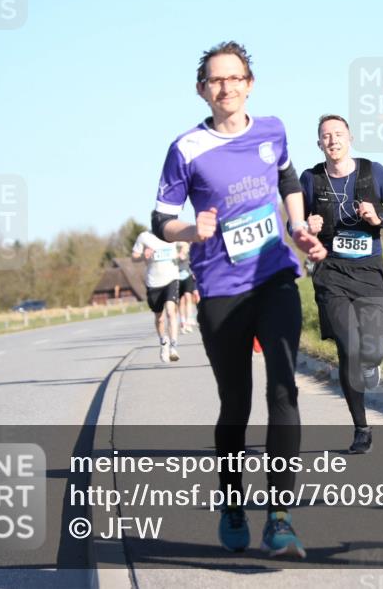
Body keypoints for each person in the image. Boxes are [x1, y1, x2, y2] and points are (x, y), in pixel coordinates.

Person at [150, 41, 327, 559]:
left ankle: (280, 518)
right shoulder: (186, 148)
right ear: (201, 90)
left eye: (234, 77)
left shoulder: (272, 130)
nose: (225, 87)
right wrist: (192, 229)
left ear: (250, 84)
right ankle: (232, 503)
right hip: (221, 289)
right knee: (236, 401)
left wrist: (298, 226)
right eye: (215, 80)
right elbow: (161, 218)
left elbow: (288, 177)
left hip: (274, 277)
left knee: (283, 390)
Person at [300, 115, 383, 454]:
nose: (332, 140)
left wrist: (381, 219)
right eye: (326, 136)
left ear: (350, 138)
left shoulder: (373, 172)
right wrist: (306, 226)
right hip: (331, 273)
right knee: (348, 349)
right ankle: (361, 428)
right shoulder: (310, 179)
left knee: (372, 349)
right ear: (319, 144)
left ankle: (371, 362)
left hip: (369, 271)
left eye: (338, 134)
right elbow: (295, 225)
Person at [131, 230, 181, 363]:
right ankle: (163, 341)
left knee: (171, 312)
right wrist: (143, 256)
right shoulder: (144, 236)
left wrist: (183, 253)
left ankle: (173, 347)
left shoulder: (172, 233)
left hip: (172, 278)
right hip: (153, 282)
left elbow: (185, 245)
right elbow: (134, 256)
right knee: (159, 318)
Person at [176, 241, 199, 333]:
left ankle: (189, 318)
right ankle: (183, 321)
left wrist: (194, 273)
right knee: (181, 301)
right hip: (177, 277)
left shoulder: (189, 253)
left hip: (188, 276)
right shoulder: (174, 254)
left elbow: (192, 263)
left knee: (188, 296)